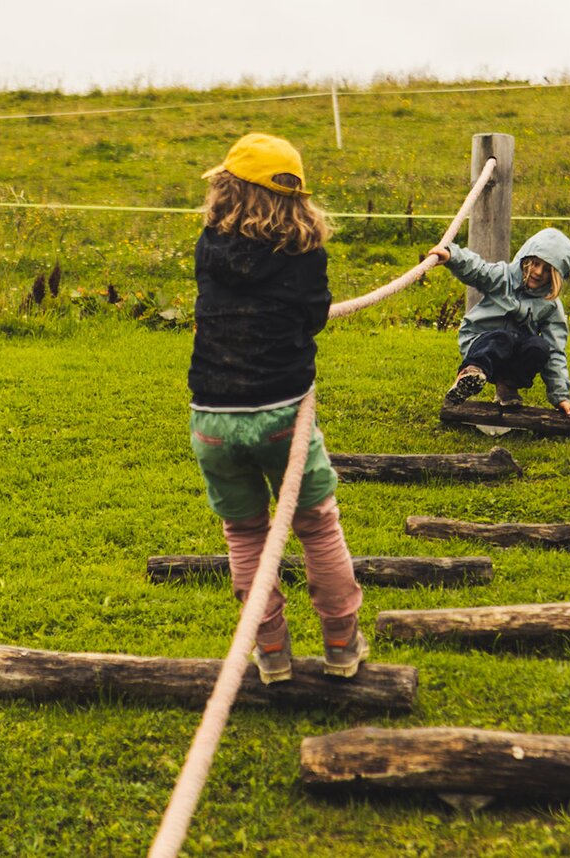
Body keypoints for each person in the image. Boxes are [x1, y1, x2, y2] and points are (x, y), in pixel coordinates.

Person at [187, 132, 367, 685]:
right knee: (316, 524)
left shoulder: (207, 244)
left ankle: (270, 652)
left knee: (244, 533)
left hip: (212, 415)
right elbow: (312, 319)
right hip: (281, 413)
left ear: (227, 190)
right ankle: (341, 645)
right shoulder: (305, 251)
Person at [428, 228, 570, 415]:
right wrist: (451, 256)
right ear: (525, 258)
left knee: (540, 347)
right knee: (503, 338)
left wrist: (561, 397)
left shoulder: (550, 305)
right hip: (482, 344)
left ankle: (507, 385)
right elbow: (477, 270)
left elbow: (555, 351)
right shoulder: (502, 277)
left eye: (547, 269)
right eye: (535, 263)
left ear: (556, 274)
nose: (538, 272)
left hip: (513, 354)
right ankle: (470, 375)